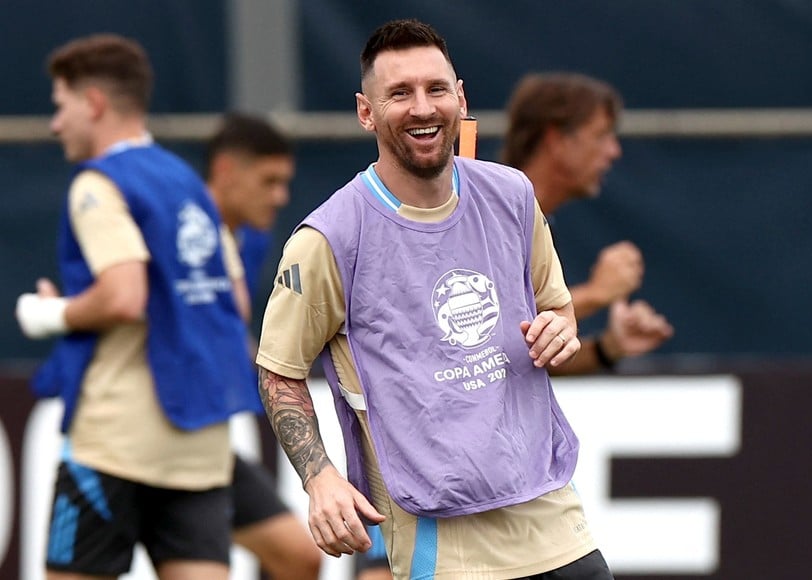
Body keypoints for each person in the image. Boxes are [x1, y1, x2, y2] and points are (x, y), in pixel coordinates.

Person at [256, 18, 614, 580]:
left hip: (551, 516)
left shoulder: (513, 195)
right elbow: (279, 372)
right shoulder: (328, 237)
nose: (422, 108)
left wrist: (561, 329)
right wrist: (320, 477)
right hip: (439, 541)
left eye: (435, 89)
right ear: (366, 111)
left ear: (460, 97)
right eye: (399, 93)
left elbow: (556, 309)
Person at [14, 34, 254, 580]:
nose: (55, 125)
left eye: (61, 105)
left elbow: (124, 295)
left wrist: (50, 314)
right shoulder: (187, 182)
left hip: (114, 444)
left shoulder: (98, 183)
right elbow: (235, 301)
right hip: (198, 448)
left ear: (93, 102)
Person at [204, 113, 321, 580]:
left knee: (299, 559)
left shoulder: (246, 239)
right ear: (227, 170)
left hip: (206, 447)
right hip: (146, 447)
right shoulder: (180, 235)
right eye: (269, 181)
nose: (280, 197)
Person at [503, 72, 674, 375]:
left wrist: (608, 349)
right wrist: (596, 293)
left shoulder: (530, 218)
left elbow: (523, 360)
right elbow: (491, 338)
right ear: (556, 140)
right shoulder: (496, 215)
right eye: (601, 135)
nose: (613, 151)